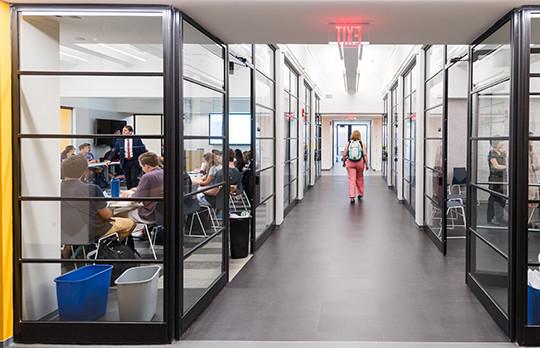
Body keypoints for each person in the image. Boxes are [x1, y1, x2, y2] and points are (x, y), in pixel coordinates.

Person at [61, 154, 135, 244]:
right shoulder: (92, 189)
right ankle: (106, 249)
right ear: (85, 171)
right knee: (130, 223)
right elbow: (106, 215)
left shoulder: (55, 189)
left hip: (65, 230)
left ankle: (69, 250)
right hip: (93, 230)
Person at [120, 152, 164, 224]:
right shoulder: (164, 173)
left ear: (146, 166)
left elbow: (135, 199)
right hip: (161, 212)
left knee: (118, 214)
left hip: (150, 214)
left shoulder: (147, 177)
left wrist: (127, 194)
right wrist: (137, 189)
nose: (142, 169)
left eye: (142, 167)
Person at [342, 130, 368, 204]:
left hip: (350, 163)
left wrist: (344, 162)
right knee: (360, 178)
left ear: (352, 135)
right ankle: (360, 194)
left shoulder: (349, 143)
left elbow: (344, 154)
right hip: (360, 163)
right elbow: (365, 155)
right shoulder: (361, 143)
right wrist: (367, 164)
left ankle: (352, 197)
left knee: (352, 180)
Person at [487, 140, 507, 225]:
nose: (501, 143)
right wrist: (508, 166)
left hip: (502, 179)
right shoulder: (492, 153)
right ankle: (491, 219)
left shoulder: (502, 153)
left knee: (502, 199)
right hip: (494, 180)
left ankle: (499, 217)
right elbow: (496, 166)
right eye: (500, 142)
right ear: (495, 144)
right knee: (493, 199)